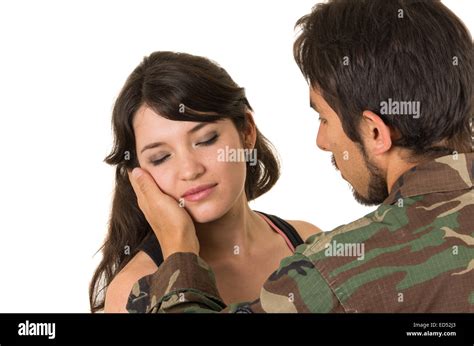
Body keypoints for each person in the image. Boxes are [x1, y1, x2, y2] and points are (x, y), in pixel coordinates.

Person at [125, 0, 473, 313]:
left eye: (323, 118)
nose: (321, 141)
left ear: (375, 132)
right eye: (159, 157)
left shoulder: (328, 267)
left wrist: (179, 252)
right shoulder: (131, 283)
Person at [88, 51, 321, 313]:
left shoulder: (306, 241)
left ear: (246, 132)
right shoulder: (132, 289)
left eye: (206, 140)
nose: (189, 170)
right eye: (161, 157)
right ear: (138, 176)